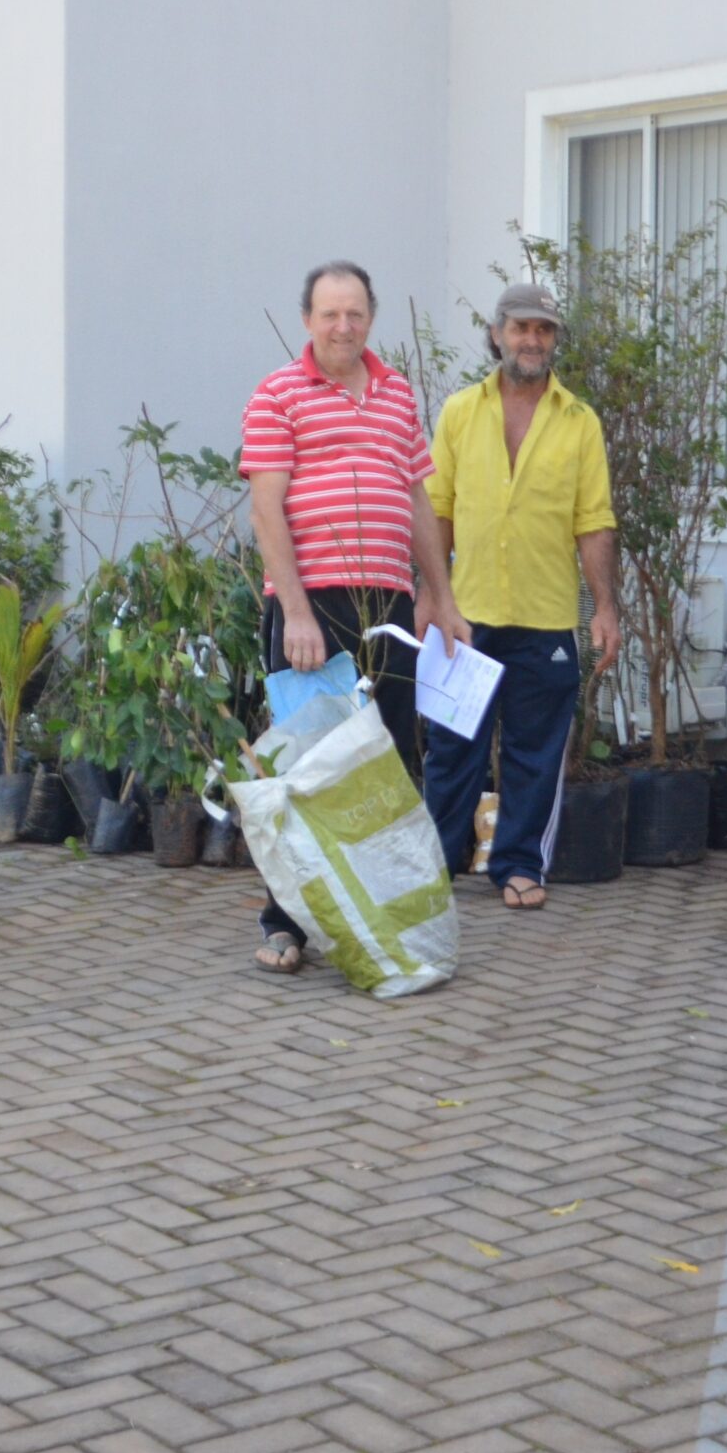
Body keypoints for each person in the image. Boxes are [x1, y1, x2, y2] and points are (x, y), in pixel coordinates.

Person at [242, 260, 468, 972]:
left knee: (392, 764)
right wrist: (298, 614)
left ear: (370, 319)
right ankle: (284, 922)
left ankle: (382, 917)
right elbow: (266, 509)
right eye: (330, 314)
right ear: (308, 320)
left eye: (355, 314)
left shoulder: (398, 394)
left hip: (389, 607)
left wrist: (440, 595)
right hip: (316, 610)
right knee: (309, 769)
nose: (343, 326)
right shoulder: (278, 395)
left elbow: (419, 502)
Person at [422, 282, 623, 909]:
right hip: (467, 616)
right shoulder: (460, 411)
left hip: (545, 616)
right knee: (454, 753)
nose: (532, 340)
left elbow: (593, 520)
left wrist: (607, 608)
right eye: (521, 328)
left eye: (544, 330)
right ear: (497, 333)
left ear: (554, 339)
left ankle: (518, 868)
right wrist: (432, 594)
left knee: (536, 755)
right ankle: (435, 870)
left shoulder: (579, 420)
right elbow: (437, 511)